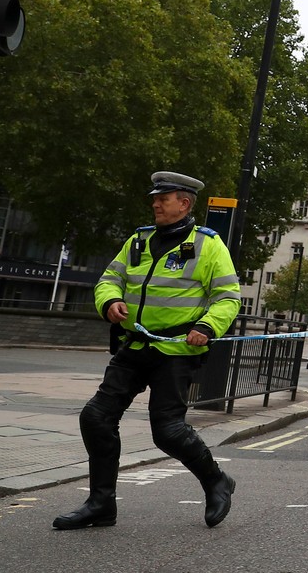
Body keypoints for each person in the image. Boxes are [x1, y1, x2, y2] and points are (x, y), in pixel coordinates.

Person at [52, 171, 242, 531]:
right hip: (135, 345)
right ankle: (101, 504)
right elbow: (110, 279)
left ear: (184, 203)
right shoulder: (138, 240)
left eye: (163, 198)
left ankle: (216, 480)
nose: (155, 203)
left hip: (176, 351)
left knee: (167, 431)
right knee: (96, 417)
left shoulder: (208, 245)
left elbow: (228, 297)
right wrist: (109, 301)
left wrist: (206, 326)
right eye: (155, 198)